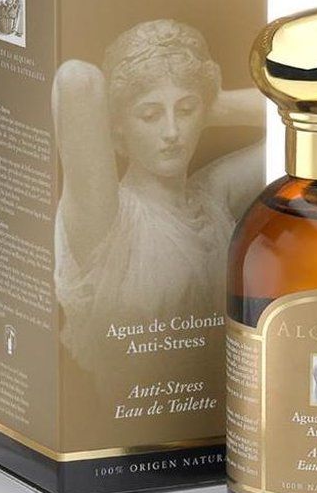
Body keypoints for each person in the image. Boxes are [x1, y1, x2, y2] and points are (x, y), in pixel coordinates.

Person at [52, 19, 264, 379]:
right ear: (118, 127)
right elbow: (76, 80)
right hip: (127, 412)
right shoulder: (107, 218)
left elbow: (297, 118)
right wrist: (184, 103)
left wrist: (214, 103)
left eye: (185, 111)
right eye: (149, 115)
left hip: (212, 410)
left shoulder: (212, 197)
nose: (171, 132)